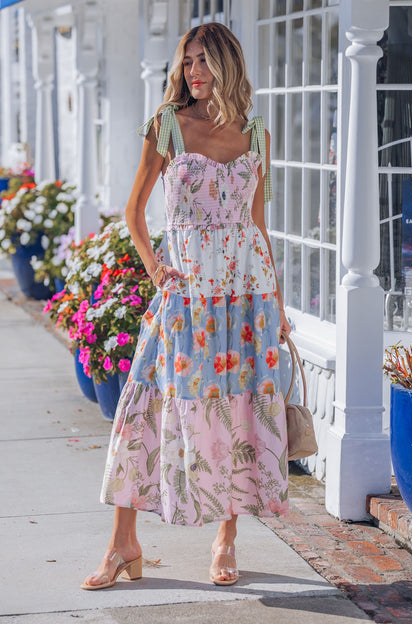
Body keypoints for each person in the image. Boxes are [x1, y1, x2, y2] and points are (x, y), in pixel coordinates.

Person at [81, 21, 291, 591]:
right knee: (144, 407)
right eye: (187, 62)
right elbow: (134, 212)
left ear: (226, 64)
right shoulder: (165, 126)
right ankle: (123, 542)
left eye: (204, 61)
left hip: (244, 295)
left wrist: (276, 303)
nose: (194, 72)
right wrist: (156, 269)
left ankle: (226, 538)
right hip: (186, 293)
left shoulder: (256, 132)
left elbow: (257, 224)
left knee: (238, 410)